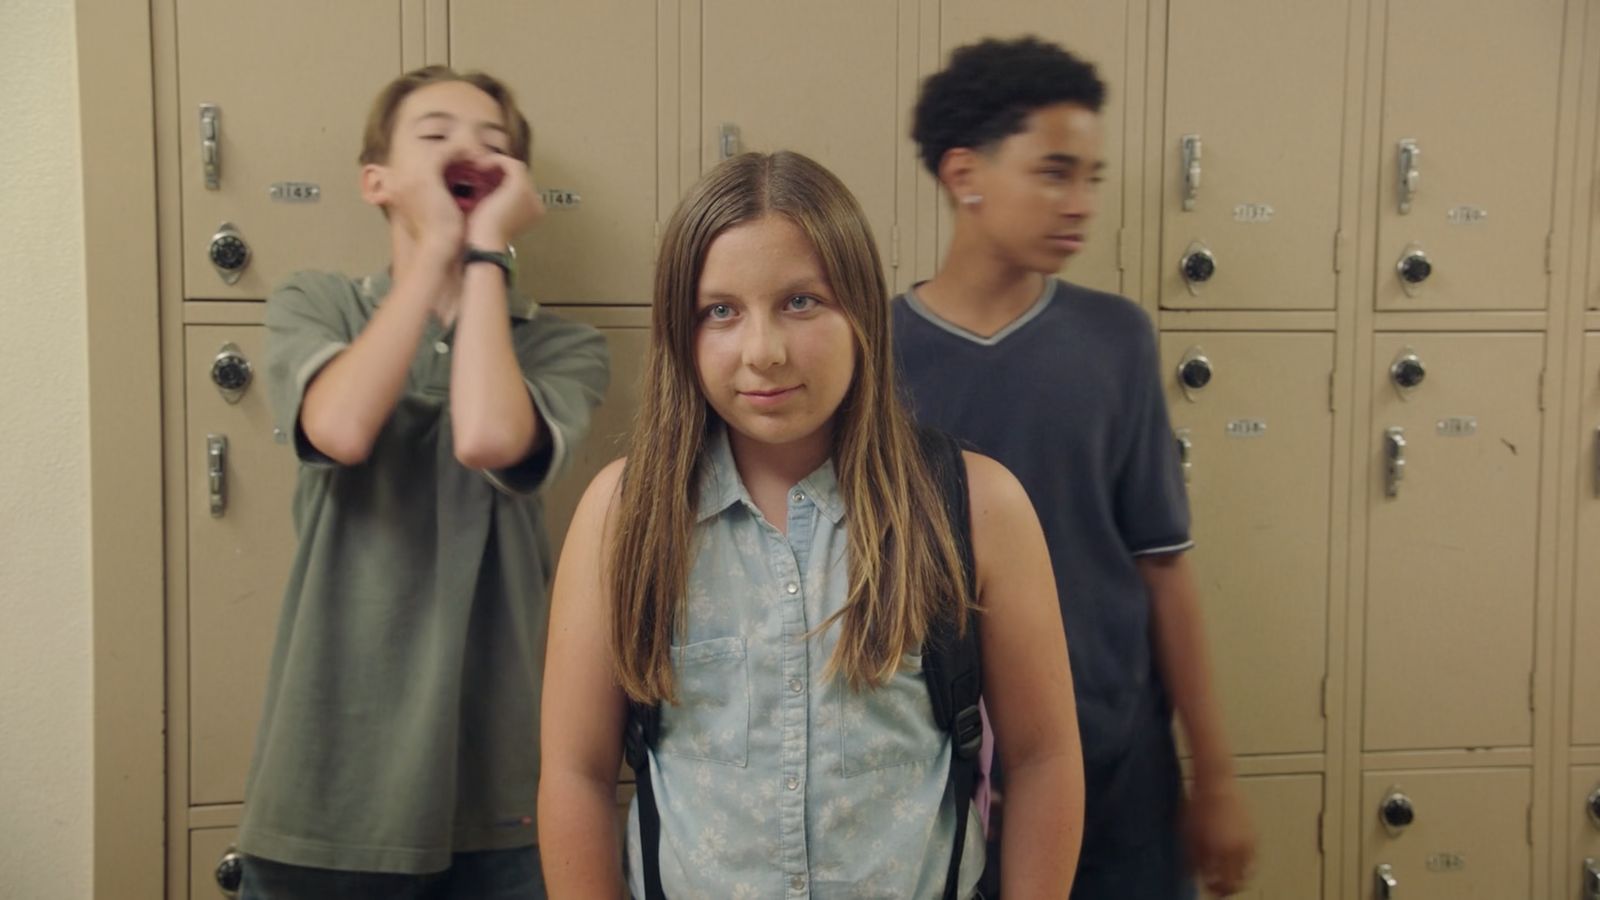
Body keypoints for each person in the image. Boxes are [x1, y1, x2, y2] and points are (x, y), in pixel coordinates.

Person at [537, 150, 1083, 898]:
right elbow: (576, 772)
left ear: (860, 311)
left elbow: (1043, 758)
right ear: (681, 331)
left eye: (801, 302)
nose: (763, 351)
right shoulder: (623, 514)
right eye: (721, 311)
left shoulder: (978, 506)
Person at [235, 65, 610, 899]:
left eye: (494, 144)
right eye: (436, 134)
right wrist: (437, 249)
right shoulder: (316, 303)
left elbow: (486, 435)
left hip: (504, 786)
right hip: (327, 781)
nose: (468, 149)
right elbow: (339, 426)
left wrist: (478, 257)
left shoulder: (563, 348)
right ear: (376, 181)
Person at [895, 36, 1258, 898]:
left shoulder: (1116, 340)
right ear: (964, 174)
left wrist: (1216, 775)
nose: (1081, 202)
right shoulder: (879, 353)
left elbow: (1163, 566)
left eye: (1092, 176)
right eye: (1055, 172)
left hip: (1117, 767)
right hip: (943, 775)